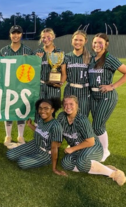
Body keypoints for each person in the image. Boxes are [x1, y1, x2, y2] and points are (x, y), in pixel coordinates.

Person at [57, 96, 126, 186]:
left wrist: (72, 149)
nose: (68, 106)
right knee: (65, 163)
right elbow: (58, 133)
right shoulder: (61, 117)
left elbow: (90, 142)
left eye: (71, 104)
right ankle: (100, 167)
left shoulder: (81, 119)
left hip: (93, 147)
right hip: (79, 149)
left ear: (77, 105)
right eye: (65, 104)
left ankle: (113, 173)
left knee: (81, 162)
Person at [88, 33, 126, 161]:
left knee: (98, 125)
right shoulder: (92, 58)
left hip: (106, 96)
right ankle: (98, 148)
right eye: (95, 42)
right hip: (94, 96)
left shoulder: (109, 58)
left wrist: (112, 86)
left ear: (106, 44)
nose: (97, 45)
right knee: (97, 126)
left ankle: (105, 150)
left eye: (100, 43)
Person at [6, 98, 66, 176]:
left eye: (46, 108)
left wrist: (54, 169)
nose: (42, 111)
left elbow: (54, 148)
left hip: (46, 153)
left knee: (22, 162)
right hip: (35, 144)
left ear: (52, 110)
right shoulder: (42, 120)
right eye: (40, 108)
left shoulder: (56, 126)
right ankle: (29, 154)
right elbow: (39, 131)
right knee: (10, 154)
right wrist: (30, 125)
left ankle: (47, 160)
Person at [0, 25, 34, 147]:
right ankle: (8, 135)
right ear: (10, 35)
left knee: (21, 111)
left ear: (21, 34)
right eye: (13, 33)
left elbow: (33, 68)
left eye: (18, 33)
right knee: (8, 110)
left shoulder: (28, 51)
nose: (15, 35)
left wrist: (29, 60)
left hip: (22, 86)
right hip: (8, 85)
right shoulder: (4, 51)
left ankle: (20, 135)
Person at [63, 30, 91, 117]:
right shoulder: (66, 57)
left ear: (85, 41)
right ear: (72, 40)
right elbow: (63, 75)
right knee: (68, 117)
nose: (77, 42)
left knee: (82, 117)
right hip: (70, 90)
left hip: (85, 91)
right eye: (75, 40)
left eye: (80, 40)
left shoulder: (90, 57)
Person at [35, 28, 66, 100]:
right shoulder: (37, 52)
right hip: (40, 86)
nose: (46, 39)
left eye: (48, 37)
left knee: (52, 109)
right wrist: (34, 59)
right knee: (39, 109)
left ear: (54, 36)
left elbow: (64, 73)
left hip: (53, 87)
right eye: (43, 37)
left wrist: (60, 83)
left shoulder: (59, 53)